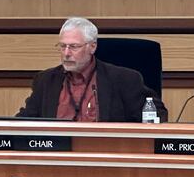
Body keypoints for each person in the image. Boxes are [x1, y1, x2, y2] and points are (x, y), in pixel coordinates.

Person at [17, 17, 168, 122]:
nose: (66, 53)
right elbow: (24, 121)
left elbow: (158, 114)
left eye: (74, 46)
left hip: (107, 157)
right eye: (63, 46)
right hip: (57, 156)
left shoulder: (124, 80)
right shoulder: (46, 80)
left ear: (92, 47)